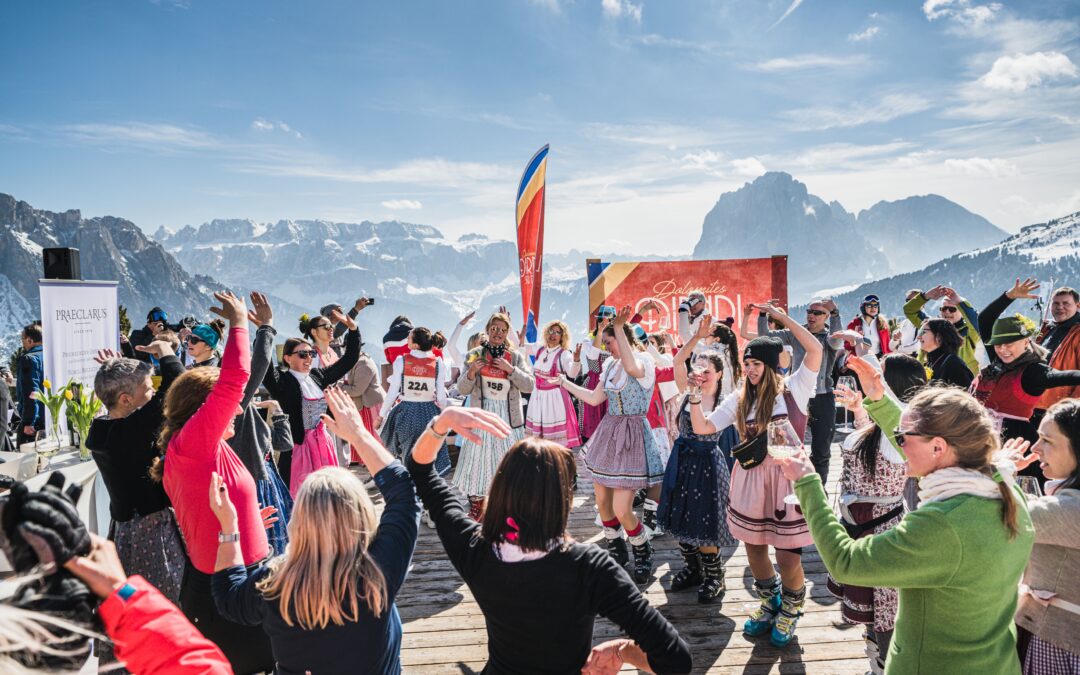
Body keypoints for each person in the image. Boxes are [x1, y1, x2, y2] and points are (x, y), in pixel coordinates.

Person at [783, 360, 1034, 674]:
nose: (897, 444)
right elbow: (925, 440)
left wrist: (807, 483)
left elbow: (845, 562)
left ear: (939, 448)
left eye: (901, 439)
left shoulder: (941, 524)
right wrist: (877, 398)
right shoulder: (1005, 490)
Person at [404, 406, 693, 674]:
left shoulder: (476, 550)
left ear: (502, 486)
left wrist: (441, 423)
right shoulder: (590, 567)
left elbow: (422, 473)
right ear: (564, 500)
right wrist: (623, 651)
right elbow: (676, 660)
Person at [212, 387, 419, 675]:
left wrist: (229, 529)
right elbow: (404, 494)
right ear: (360, 515)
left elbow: (229, 599)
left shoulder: (274, 582)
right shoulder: (378, 571)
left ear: (300, 518)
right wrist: (358, 435)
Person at [689, 302, 822, 647]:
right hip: (750, 477)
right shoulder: (739, 397)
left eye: (755, 363)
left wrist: (781, 319)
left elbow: (815, 348)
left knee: (788, 553)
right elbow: (704, 427)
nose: (749, 369)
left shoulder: (795, 388)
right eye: (746, 363)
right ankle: (770, 601)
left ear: (771, 364)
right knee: (754, 548)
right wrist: (694, 395)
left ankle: (792, 608)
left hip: (787, 478)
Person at [157, 290, 275, 673]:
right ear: (202, 411)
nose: (239, 409)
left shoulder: (201, 449)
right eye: (228, 404)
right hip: (226, 587)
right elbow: (236, 378)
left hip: (237, 570)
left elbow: (208, 505)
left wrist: (249, 520)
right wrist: (241, 322)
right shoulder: (194, 444)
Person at [829, 351, 927, 675]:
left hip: (881, 533)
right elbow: (875, 439)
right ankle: (877, 664)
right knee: (872, 614)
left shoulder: (902, 431)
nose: (874, 379)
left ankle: (887, 666)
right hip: (861, 528)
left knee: (886, 614)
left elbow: (892, 439)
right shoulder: (882, 428)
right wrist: (859, 410)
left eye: (882, 374)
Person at [554, 306, 662, 584]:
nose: (607, 346)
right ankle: (616, 549)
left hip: (632, 434)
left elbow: (631, 367)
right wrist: (565, 383)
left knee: (623, 508)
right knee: (603, 502)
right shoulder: (611, 365)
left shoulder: (642, 362)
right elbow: (593, 399)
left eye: (610, 341)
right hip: (609, 431)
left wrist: (620, 330)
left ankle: (642, 550)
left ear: (623, 338)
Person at [88, 337, 188, 605]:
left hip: (125, 529)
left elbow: (137, 412)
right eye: (147, 389)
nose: (153, 394)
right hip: (152, 532)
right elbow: (179, 385)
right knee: (162, 598)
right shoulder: (134, 429)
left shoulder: (99, 430)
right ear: (125, 399)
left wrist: (120, 366)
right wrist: (166, 351)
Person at [658, 316, 737, 603]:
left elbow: (708, 427)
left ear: (718, 374)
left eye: (706, 370)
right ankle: (692, 568)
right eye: (698, 368)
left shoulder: (724, 401)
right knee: (678, 516)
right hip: (682, 459)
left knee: (704, 521)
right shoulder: (688, 389)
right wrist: (695, 337)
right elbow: (679, 360)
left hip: (706, 463)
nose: (700, 373)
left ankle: (714, 576)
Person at [1002, 399, 1080, 674]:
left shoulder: (1072, 510)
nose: (1035, 449)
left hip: (1059, 643)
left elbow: (997, 511)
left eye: (1047, 440)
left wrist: (1001, 468)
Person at [262, 307, 361, 493]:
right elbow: (264, 366)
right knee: (298, 494)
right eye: (302, 354)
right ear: (287, 359)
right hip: (297, 448)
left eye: (311, 354)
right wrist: (264, 331)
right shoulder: (282, 382)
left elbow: (349, 359)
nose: (309, 358)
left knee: (327, 492)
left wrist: (354, 330)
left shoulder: (317, 376)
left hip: (323, 443)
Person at [975, 278, 1080, 447]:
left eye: (1066, 303)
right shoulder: (999, 359)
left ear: (1025, 342)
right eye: (1056, 303)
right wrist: (1009, 296)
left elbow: (1065, 376)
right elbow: (984, 320)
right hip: (985, 439)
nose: (1003, 349)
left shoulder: (1033, 371)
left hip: (1043, 420)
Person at [229, 291, 295, 557]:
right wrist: (266, 328)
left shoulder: (225, 411)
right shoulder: (231, 409)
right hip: (256, 482)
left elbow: (282, 442)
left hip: (261, 476)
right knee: (266, 548)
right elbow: (255, 368)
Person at [454, 311, 533, 520]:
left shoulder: (514, 356)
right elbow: (461, 389)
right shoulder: (475, 353)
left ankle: (508, 506)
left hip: (508, 416)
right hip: (482, 413)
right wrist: (471, 373)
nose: (498, 333)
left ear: (507, 333)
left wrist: (511, 370)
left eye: (502, 329)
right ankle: (477, 506)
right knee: (477, 459)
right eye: (494, 328)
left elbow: (529, 385)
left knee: (508, 461)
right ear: (488, 330)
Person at [756, 297, 843, 480]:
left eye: (818, 313)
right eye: (809, 311)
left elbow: (837, 343)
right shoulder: (796, 333)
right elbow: (764, 337)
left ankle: (819, 491)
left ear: (827, 317)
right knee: (789, 446)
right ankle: (792, 489)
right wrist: (763, 313)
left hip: (822, 397)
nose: (812, 315)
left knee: (822, 450)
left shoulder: (829, 337)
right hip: (795, 396)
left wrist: (836, 313)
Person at [378, 326, 451, 475]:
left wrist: (382, 414)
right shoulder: (437, 363)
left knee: (406, 452)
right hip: (429, 412)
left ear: (416, 345)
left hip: (407, 412)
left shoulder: (401, 361)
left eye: (409, 338)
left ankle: (410, 484)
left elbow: (393, 392)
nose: (406, 341)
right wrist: (444, 415)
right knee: (430, 453)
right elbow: (441, 397)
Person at [525, 320, 582, 448]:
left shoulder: (564, 354)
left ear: (562, 337)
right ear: (546, 332)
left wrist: (576, 360)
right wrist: (509, 326)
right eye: (551, 331)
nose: (554, 334)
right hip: (537, 397)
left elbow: (572, 374)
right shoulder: (540, 349)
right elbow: (519, 346)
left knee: (556, 443)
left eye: (558, 332)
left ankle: (558, 462)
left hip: (555, 399)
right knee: (538, 442)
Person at [905, 285, 982, 376]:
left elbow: (977, 322)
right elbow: (909, 310)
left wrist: (959, 301)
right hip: (929, 378)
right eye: (944, 308)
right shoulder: (931, 325)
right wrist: (925, 296)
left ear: (962, 312)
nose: (947, 312)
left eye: (952, 309)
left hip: (962, 381)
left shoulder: (969, 331)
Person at [1035, 287, 1080, 412]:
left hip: (1060, 409)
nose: (1060, 307)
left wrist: (1072, 409)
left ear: (1078, 305)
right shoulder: (1047, 329)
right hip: (1034, 403)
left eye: (1066, 303)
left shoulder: (1077, 332)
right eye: (1056, 303)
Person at [576, 305, 616, 442]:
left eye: (610, 321)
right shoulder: (589, 339)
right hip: (595, 382)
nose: (606, 323)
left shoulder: (618, 338)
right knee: (593, 423)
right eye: (603, 320)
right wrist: (599, 333)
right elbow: (593, 356)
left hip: (614, 383)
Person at [917, 318, 974, 389]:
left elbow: (965, 397)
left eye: (923, 332)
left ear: (939, 336)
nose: (918, 337)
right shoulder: (930, 362)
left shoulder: (954, 365)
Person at [15, 323, 44, 446]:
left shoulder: (28, 359)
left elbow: (31, 392)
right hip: (49, 417)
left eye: (23, 339)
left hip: (34, 422)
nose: (22, 343)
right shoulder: (49, 355)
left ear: (30, 340)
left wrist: (28, 422)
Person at [846, 294, 892, 359]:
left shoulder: (882, 324)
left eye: (875, 306)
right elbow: (846, 346)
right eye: (869, 305)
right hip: (861, 359)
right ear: (863, 308)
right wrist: (853, 342)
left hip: (879, 358)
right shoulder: (854, 324)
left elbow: (887, 345)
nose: (873, 308)